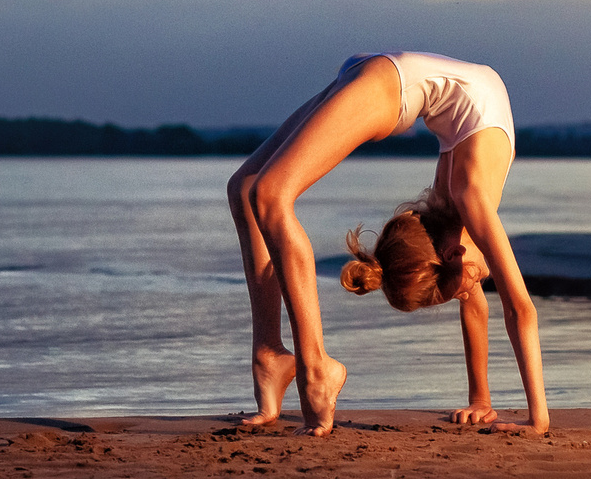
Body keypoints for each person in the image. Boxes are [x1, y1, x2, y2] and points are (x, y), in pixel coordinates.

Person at [226, 52, 549, 436]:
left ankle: (270, 355)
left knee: (245, 188)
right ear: (454, 256)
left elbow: (474, 304)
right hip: (386, 83)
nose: (474, 287)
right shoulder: (473, 198)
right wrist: (538, 420)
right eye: (469, 283)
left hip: (381, 74)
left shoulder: (452, 219)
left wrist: (481, 401)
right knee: (266, 195)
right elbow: (519, 308)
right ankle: (315, 369)